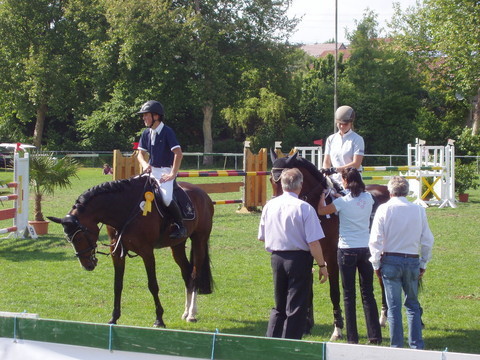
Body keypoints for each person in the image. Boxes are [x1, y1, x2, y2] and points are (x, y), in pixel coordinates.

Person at [258, 168, 329, 340]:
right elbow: (313, 242)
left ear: (281, 185)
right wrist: (321, 265)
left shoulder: (269, 206)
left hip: (277, 257)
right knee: (296, 305)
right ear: (301, 185)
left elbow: (262, 237)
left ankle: (272, 340)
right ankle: (290, 343)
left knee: (279, 304)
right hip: (299, 257)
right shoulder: (305, 208)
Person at [317, 167, 382, 345]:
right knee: (368, 293)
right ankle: (374, 335)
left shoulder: (342, 203)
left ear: (344, 182)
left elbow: (322, 211)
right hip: (365, 249)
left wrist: (323, 198)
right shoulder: (369, 198)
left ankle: (352, 337)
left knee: (348, 294)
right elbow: (354, 201)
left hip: (346, 250)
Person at [369, 176, 434, 349]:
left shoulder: (384, 209)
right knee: (412, 305)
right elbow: (427, 240)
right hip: (412, 259)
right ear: (406, 191)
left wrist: (375, 263)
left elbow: (375, 240)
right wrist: (423, 263)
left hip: (390, 259)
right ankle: (416, 345)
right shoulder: (418, 210)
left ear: (390, 192)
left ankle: (396, 346)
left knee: (394, 307)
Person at [136, 100, 187, 240]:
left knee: (166, 198)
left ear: (156, 116)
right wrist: (145, 164)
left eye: (146, 115)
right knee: (132, 188)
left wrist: (172, 174)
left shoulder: (167, 132)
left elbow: (178, 153)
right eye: (143, 116)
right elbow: (140, 154)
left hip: (165, 171)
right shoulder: (146, 133)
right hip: (151, 170)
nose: (143, 118)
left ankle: (180, 226)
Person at [322, 105, 364, 194]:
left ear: (351, 123)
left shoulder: (357, 139)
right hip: (334, 182)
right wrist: (326, 171)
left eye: (345, 124)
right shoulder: (331, 139)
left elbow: (356, 164)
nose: (341, 126)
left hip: (352, 182)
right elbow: (326, 161)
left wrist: (335, 169)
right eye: (339, 123)